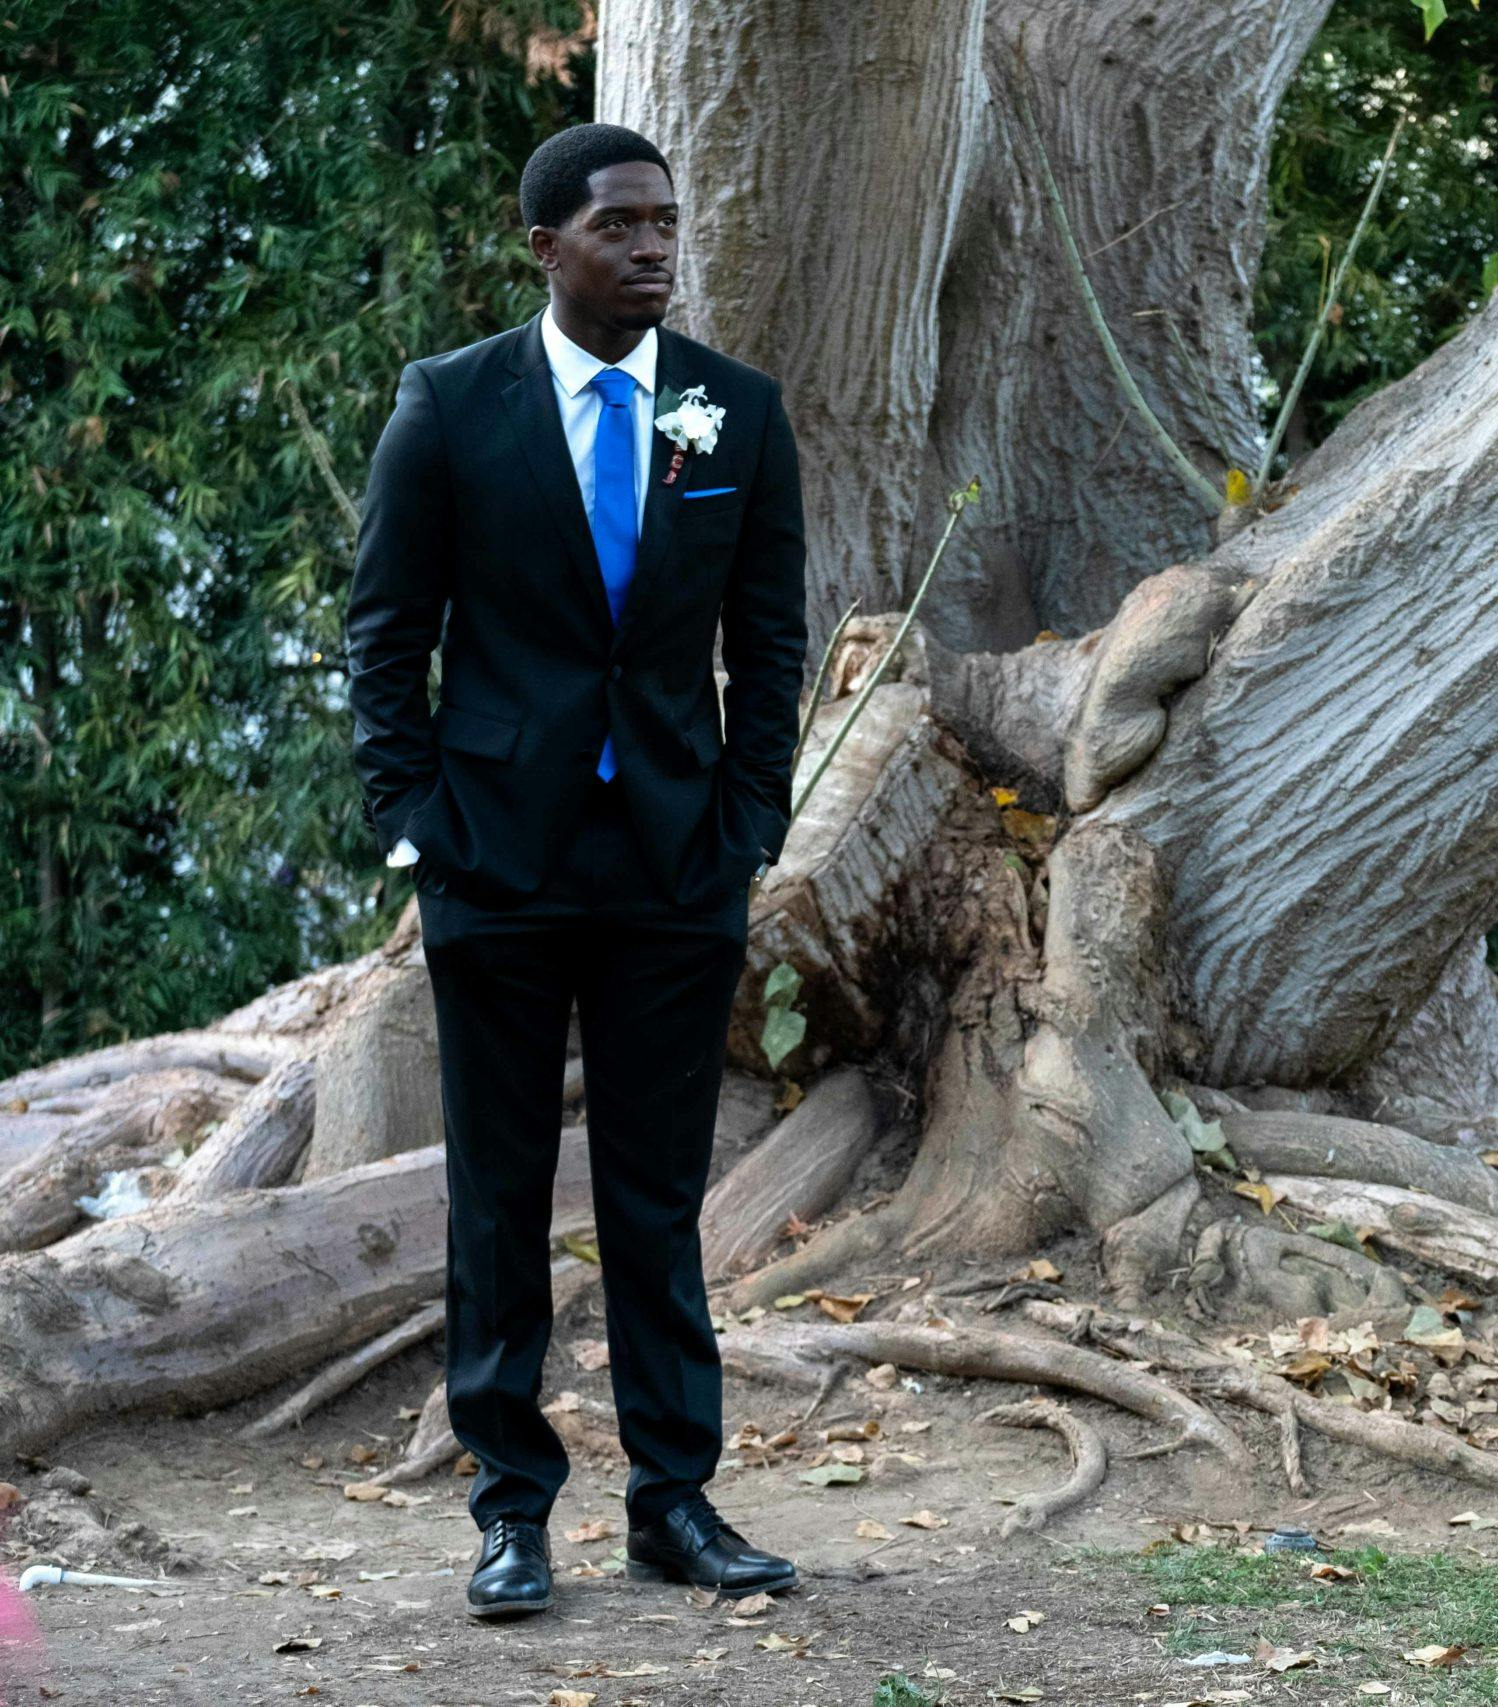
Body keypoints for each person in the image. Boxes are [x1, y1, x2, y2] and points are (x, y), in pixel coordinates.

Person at [346, 122, 808, 1621]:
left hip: (676, 864)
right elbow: (384, 632)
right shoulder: (450, 406)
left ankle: (676, 1503)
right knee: (496, 1198)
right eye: (621, 225)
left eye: (667, 222)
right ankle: (510, 1511)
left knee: (657, 1200)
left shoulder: (735, 414)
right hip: (497, 858)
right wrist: (416, 826)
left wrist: (748, 824)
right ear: (547, 245)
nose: (655, 246)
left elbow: (774, 641)